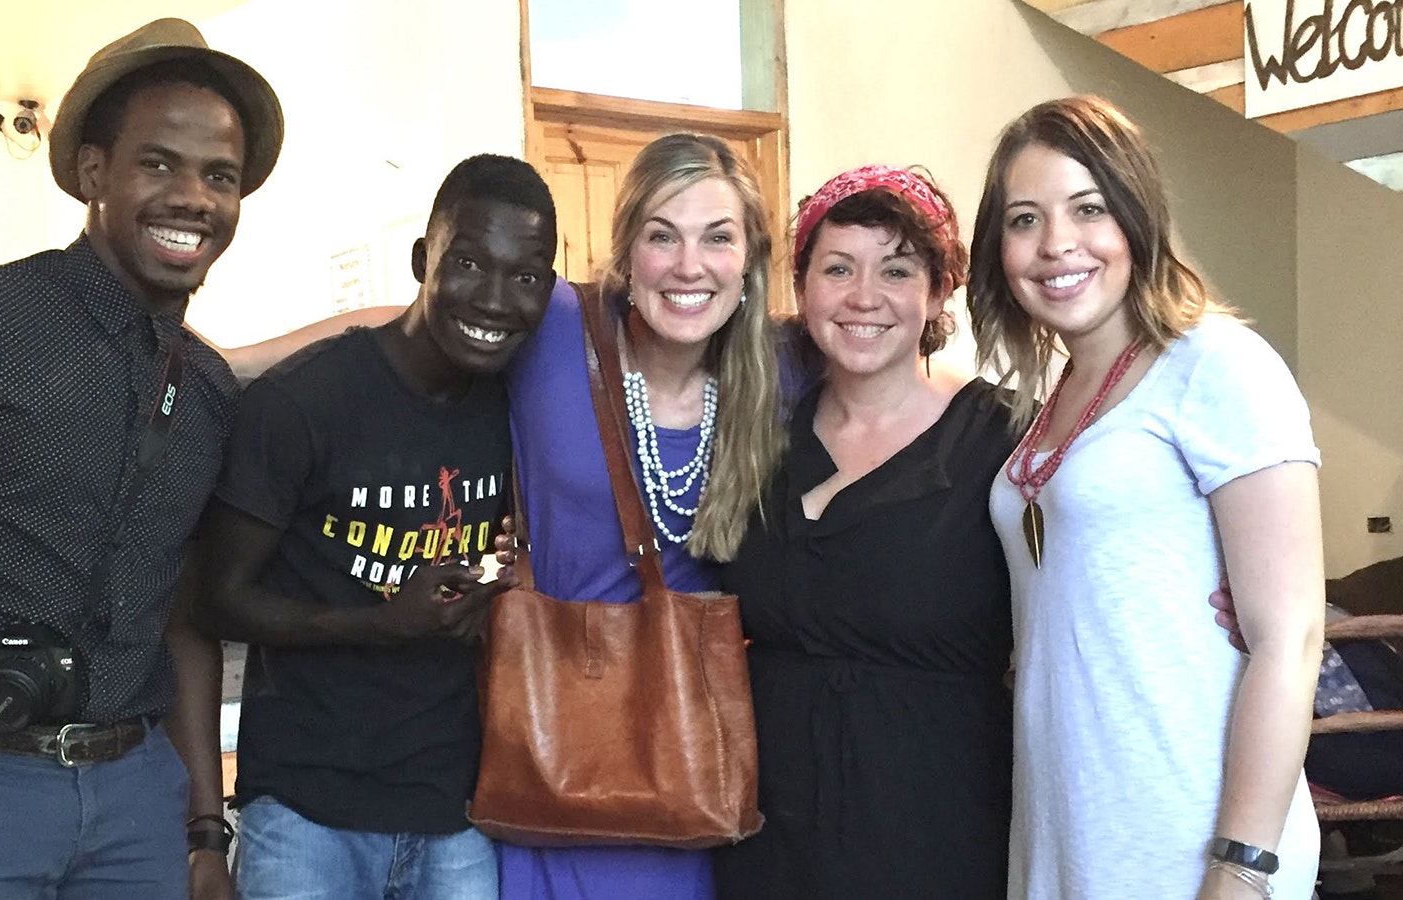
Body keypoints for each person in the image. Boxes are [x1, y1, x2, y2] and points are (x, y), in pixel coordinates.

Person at [0, 18, 283, 900]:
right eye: (159, 163)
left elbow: (182, 622)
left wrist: (202, 830)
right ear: (95, 173)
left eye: (220, 177)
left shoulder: (210, 391)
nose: (193, 197)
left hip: (138, 796)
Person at [968, 95, 1323, 899]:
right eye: (1025, 220)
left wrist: (1242, 866)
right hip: (1071, 827)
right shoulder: (1050, 396)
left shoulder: (1218, 363)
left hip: (1188, 834)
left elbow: (1290, 638)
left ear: (1136, 215)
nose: (1057, 243)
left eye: (1088, 209)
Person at [191, 154, 557, 900]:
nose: (494, 300)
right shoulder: (304, 404)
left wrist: (494, 590)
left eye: (524, 277)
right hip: (306, 808)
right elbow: (215, 599)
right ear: (424, 261)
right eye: (468, 264)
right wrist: (383, 622)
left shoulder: (517, 404)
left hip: (457, 807)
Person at [492, 132, 785, 900]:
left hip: (682, 762)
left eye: (718, 238)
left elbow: (909, 387)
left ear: (750, 259)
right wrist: (216, 357)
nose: (690, 266)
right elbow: (400, 335)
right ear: (626, 252)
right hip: (544, 740)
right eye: (663, 235)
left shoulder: (781, 374)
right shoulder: (554, 324)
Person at [712, 166, 1013, 898]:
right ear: (802, 287)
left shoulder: (1004, 441)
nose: (864, 297)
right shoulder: (758, 437)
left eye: (897, 270)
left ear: (939, 291)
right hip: (767, 838)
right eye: (837, 268)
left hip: (935, 837)